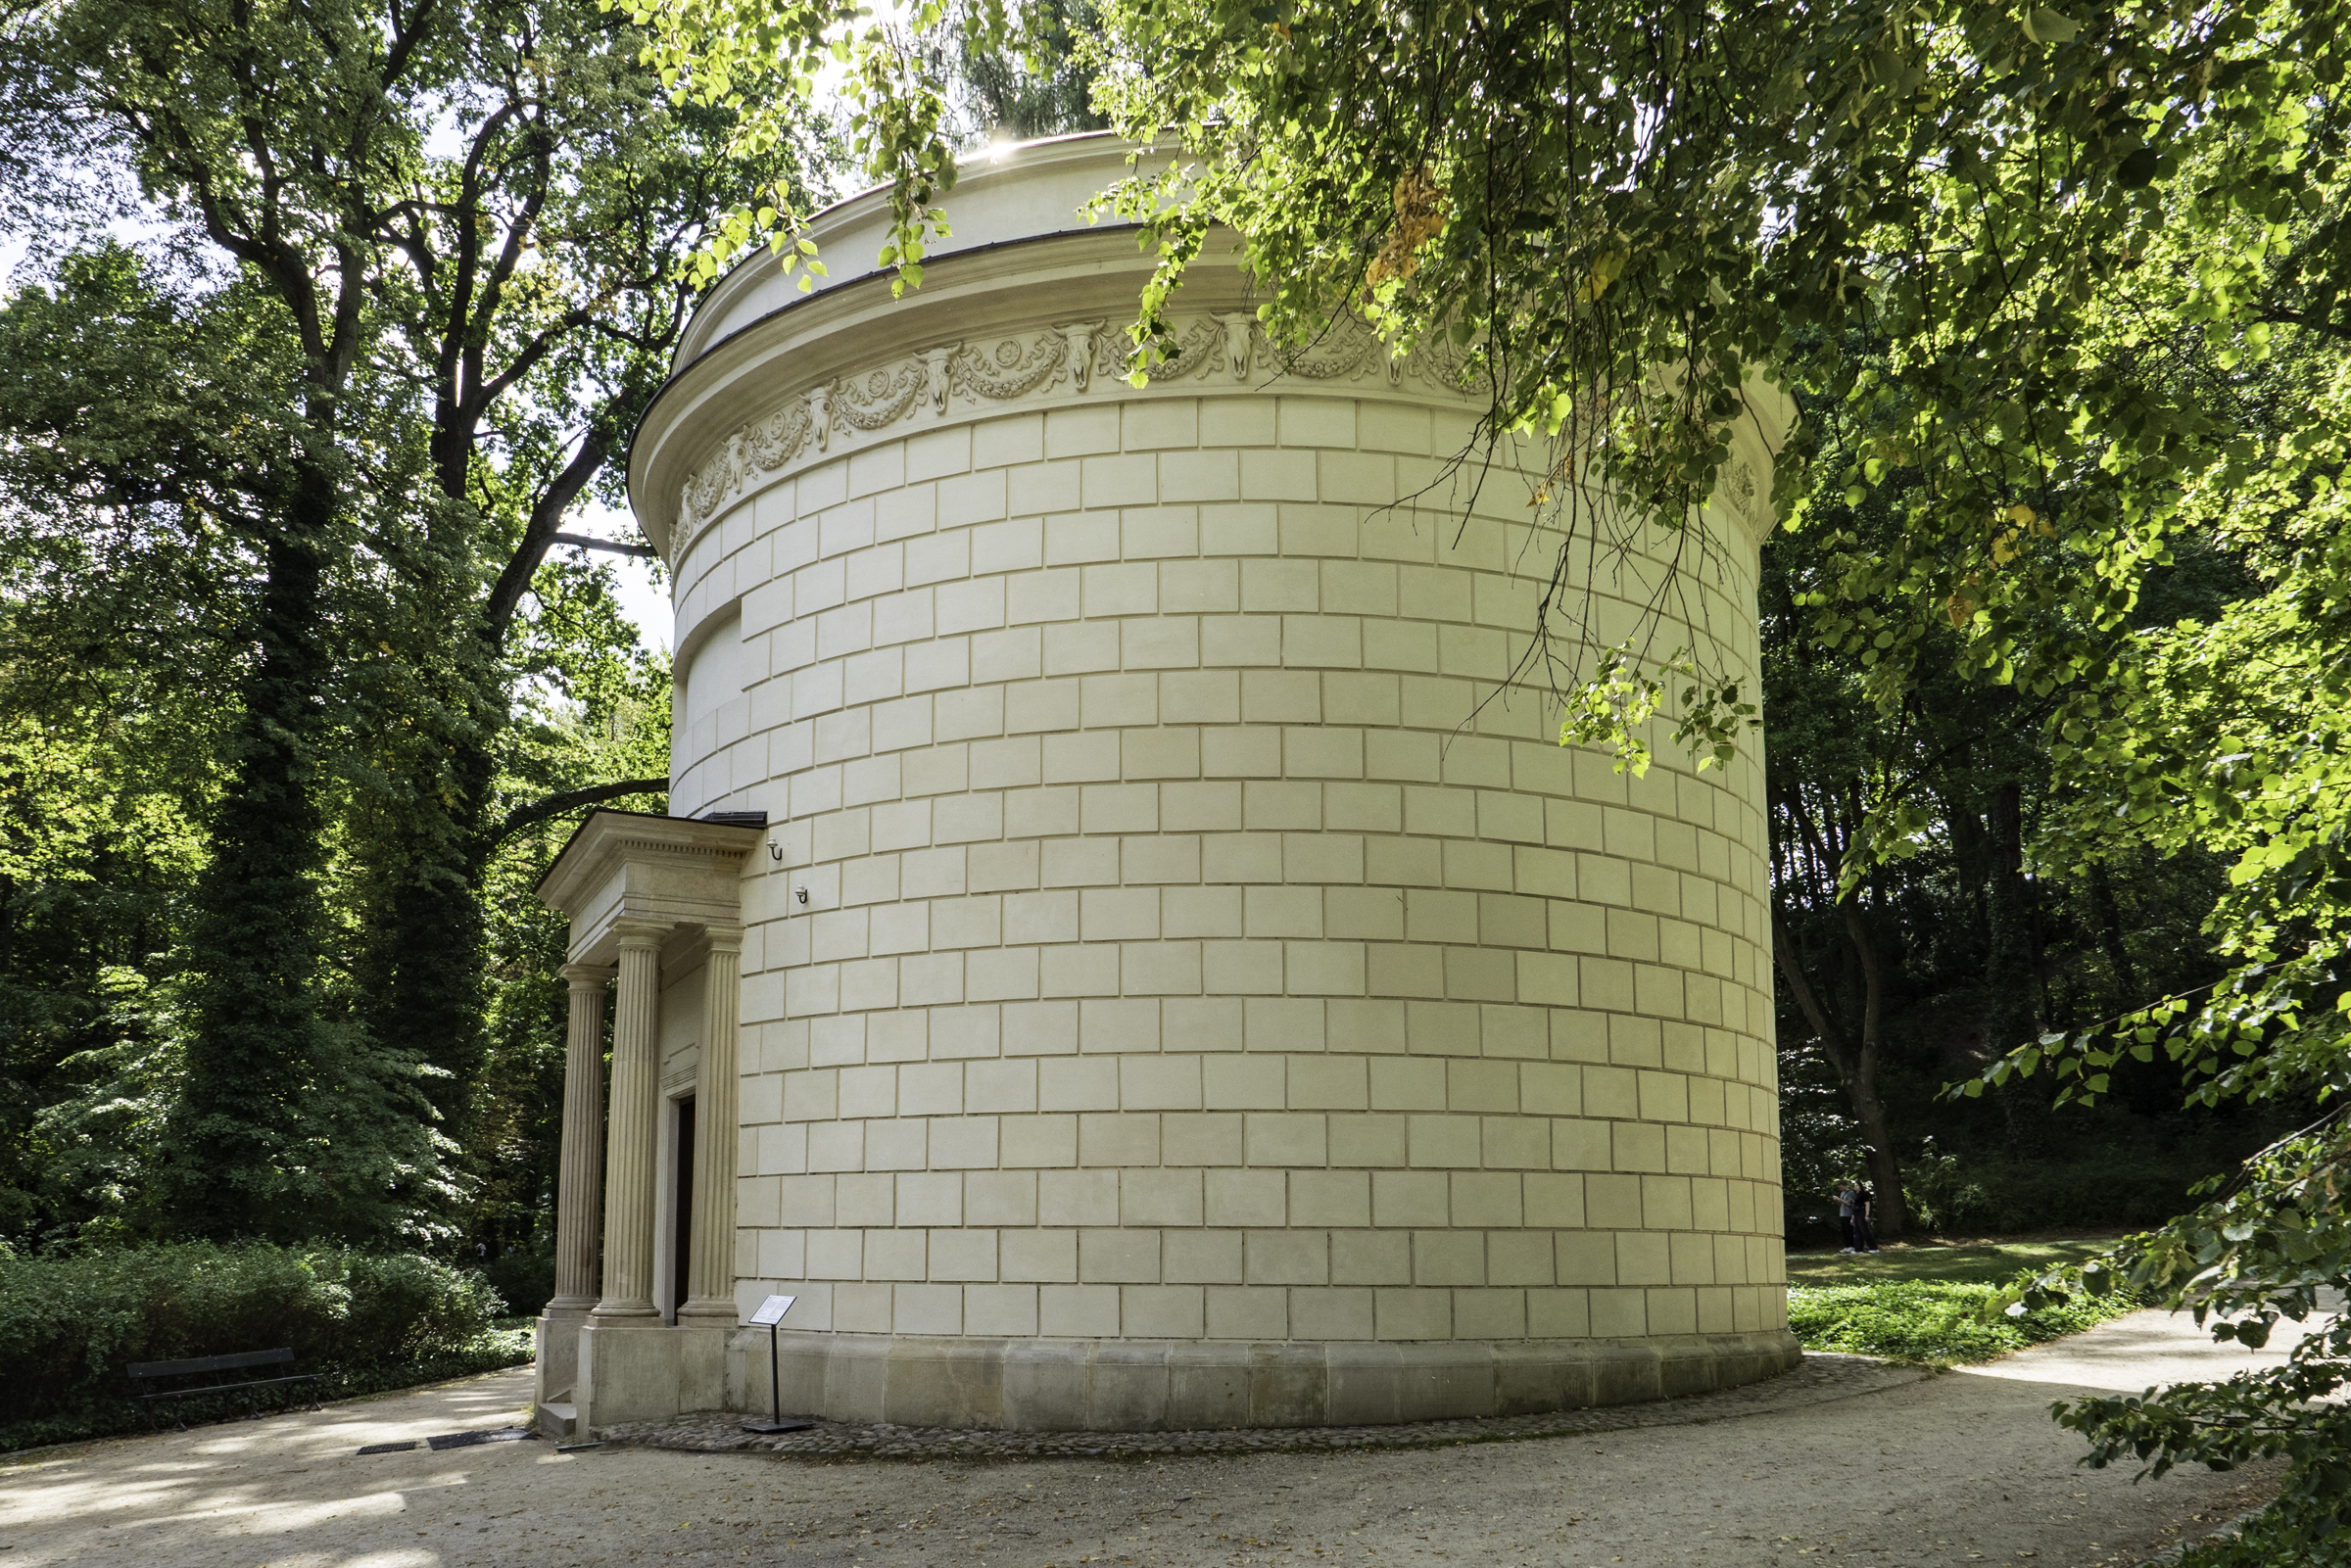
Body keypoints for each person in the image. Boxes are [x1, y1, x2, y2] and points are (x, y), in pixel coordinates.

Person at [1851, 1183, 1879, 1254]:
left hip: (1862, 1213)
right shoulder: (1854, 1195)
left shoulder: (1864, 1194)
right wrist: (1852, 1218)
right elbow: (1853, 1207)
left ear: (1860, 1187)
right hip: (1856, 1214)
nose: (1855, 1187)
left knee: (1864, 1230)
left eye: (1857, 1185)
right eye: (1854, 1186)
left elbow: (1867, 1204)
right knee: (1857, 1231)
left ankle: (1873, 1247)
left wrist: (1867, 1215)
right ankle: (1858, 1249)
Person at [1833, 1180, 1858, 1253]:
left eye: (1841, 1187)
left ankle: (1852, 1246)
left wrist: (1840, 1199)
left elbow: (1849, 1204)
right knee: (1844, 1230)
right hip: (1842, 1214)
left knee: (1849, 1230)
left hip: (1848, 1214)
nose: (1840, 1189)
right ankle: (1846, 1246)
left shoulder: (1850, 1193)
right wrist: (1837, 1201)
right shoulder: (1842, 1193)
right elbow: (1841, 1204)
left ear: (1845, 1185)